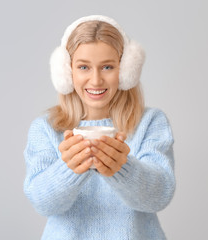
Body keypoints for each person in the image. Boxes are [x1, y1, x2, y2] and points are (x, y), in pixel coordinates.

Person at [23, 15, 175, 240]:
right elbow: (42, 202)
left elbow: (159, 195)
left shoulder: (150, 122)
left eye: (107, 67)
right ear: (67, 72)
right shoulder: (46, 128)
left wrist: (123, 169)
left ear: (125, 71)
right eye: (84, 67)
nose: (95, 80)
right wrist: (69, 169)